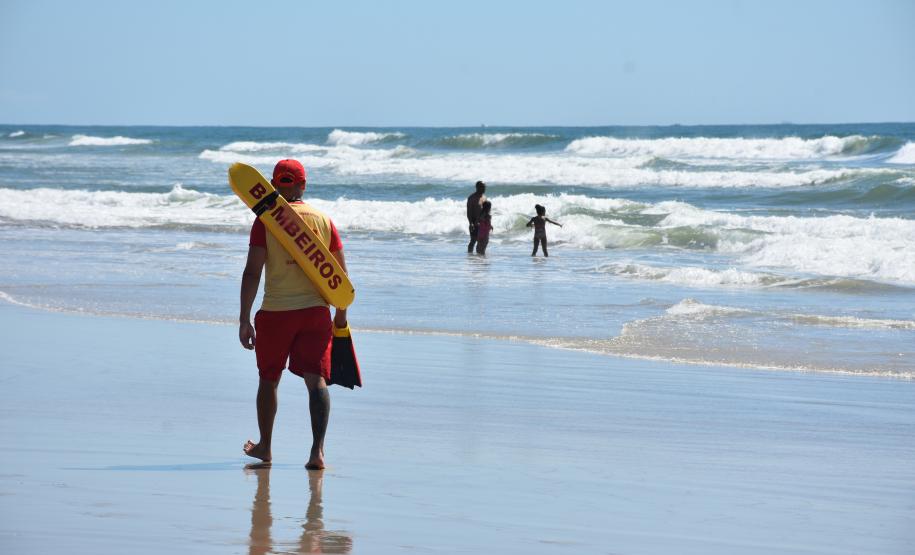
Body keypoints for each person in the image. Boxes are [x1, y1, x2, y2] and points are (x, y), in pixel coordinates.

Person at [239, 159, 348, 470]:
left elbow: (252, 272)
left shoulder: (265, 220)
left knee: (269, 379)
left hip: (276, 312)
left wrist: (244, 317)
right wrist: (340, 317)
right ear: (303, 185)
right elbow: (340, 277)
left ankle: (265, 446)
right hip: (315, 312)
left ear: (273, 185)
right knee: (316, 380)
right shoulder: (324, 220)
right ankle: (317, 452)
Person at [466, 181, 486, 253]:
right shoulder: (472, 198)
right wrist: (470, 223)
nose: (484, 189)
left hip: (483, 223)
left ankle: (480, 255)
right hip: (475, 222)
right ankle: (470, 256)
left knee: (483, 241)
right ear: (477, 187)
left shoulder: (484, 197)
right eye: (483, 187)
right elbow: (469, 211)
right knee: (473, 241)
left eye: (484, 187)